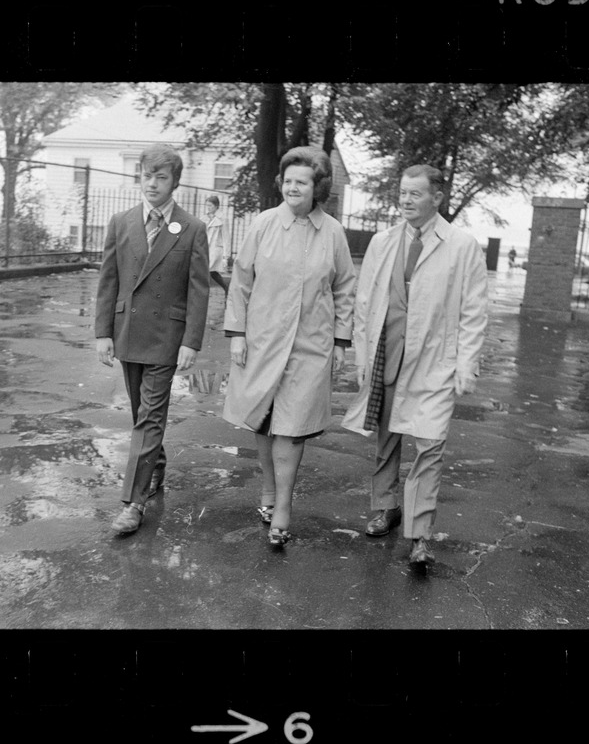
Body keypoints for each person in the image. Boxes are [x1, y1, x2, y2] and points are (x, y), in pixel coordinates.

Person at [342, 164, 488, 567]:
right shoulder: (383, 242)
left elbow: (474, 312)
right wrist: (362, 354)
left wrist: (466, 365)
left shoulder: (461, 246)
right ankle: (386, 507)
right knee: (386, 438)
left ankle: (420, 533)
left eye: (414, 194)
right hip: (387, 353)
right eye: (402, 193)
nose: (405, 200)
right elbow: (365, 302)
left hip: (434, 361)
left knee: (429, 446)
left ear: (437, 198)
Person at [223, 146, 356, 547]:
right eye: (289, 180)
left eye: (302, 181)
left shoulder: (332, 231)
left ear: (318, 187)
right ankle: (268, 488)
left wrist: (340, 342)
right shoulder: (264, 224)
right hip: (262, 340)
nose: (293, 187)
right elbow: (241, 281)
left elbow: (345, 288)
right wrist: (238, 335)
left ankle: (283, 506)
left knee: (293, 428)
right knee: (263, 420)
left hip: (310, 346)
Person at [95, 143, 210, 535]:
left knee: (149, 418)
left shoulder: (192, 228)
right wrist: (102, 334)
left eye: (161, 177)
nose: (153, 183)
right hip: (128, 332)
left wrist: (191, 341)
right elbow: (108, 282)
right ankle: (155, 465)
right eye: (147, 175)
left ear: (174, 183)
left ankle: (133, 503)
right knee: (139, 415)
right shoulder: (121, 222)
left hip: (165, 337)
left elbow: (199, 291)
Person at [203, 194, 230, 296]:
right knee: (212, 272)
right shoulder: (205, 217)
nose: (208, 208)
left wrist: (225, 256)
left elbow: (226, 237)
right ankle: (226, 288)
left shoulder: (223, 218)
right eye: (207, 206)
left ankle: (203, 292)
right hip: (206, 247)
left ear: (216, 206)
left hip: (216, 248)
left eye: (210, 206)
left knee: (207, 270)